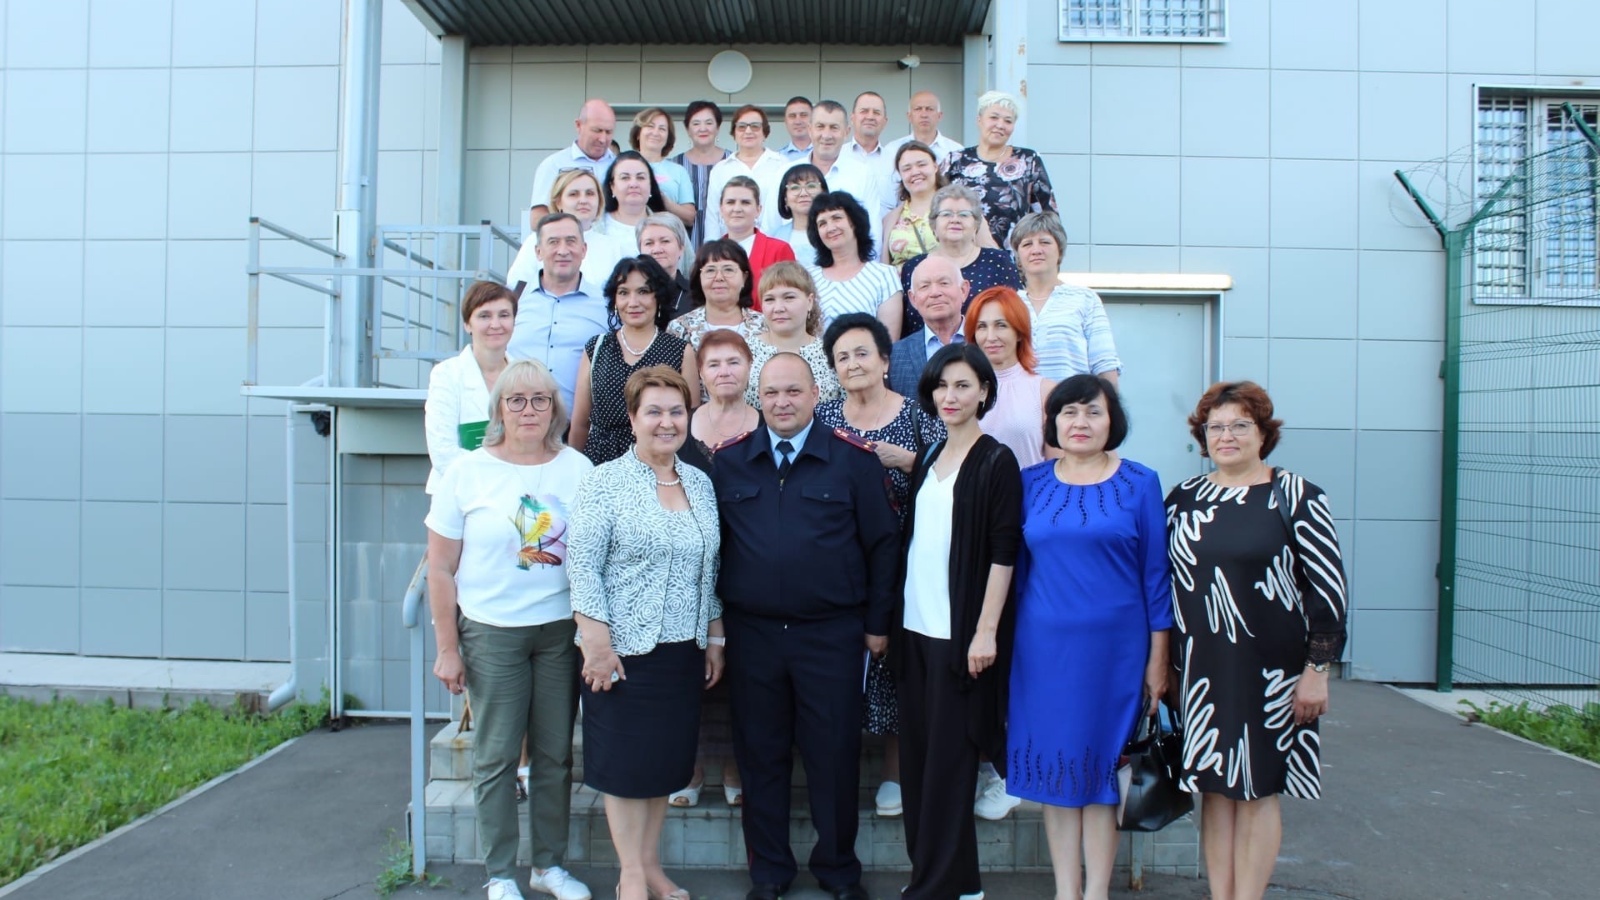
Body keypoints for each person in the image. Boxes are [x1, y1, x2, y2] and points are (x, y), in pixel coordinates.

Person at [712, 353, 900, 900]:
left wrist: (877, 625)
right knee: (760, 755)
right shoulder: (729, 462)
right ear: (759, 397)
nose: (782, 402)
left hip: (831, 635)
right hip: (753, 636)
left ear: (817, 395)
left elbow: (884, 546)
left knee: (834, 756)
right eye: (771, 393)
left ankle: (838, 870)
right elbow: (712, 549)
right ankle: (769, 872)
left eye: (793, 391)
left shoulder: (853, 461)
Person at [1165, 381, 1348, 900]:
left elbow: (1328, 591)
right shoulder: (1182, 499)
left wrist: (1317, 672)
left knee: (1259, 790)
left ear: (1264, 433)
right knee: (1214, 789)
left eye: (1240, 425)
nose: (1226, 436)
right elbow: (1163, 585)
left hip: (1272, 673)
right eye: (1215, 427)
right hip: (1201, 671)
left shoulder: (1296, 495)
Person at [425, 360, 595, 900]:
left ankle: (548, 866)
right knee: (497, 756)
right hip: (492, 631)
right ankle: (500, 872)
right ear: (499, 408)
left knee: (555, 755)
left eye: (540, 399)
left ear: (555, 408)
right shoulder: (468, 472)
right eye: (516, 400)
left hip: (558, 631)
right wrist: (447, 648)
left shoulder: (577, 468)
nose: (528, 410)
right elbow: (439, 569)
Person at [1007, 374, 1171, 900]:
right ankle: (1066, 891)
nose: (1080, 422)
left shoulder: (1140, 483)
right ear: (1053, 421)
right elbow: (1015, 573)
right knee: (1056, 773)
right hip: (1042, 653)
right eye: (1069, 412)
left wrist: (1158, 659)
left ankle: (1097, 892)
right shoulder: (1030, 482)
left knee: (1103, 774)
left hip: (1116, 655)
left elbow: (1156, 578)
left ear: (1111, 421)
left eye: (1093, 412)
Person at [568, 366, 723, 900]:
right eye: (653, 411)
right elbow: (583, 566)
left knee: (663, 765)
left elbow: (710, 567)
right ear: (633, 418)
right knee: (625, 767)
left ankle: (651, 866)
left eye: (676, 411)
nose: (666, 422)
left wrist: (715, 637)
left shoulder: (699, 483)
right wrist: (596, 643)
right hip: (621, 651)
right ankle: (630, 875)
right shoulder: (604, 481)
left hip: (683, 651)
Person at [894, 343, 1021, 900]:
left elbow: (1003, 553)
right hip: (914, 630)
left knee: (949, 765)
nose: (951, 396)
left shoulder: (997, 461)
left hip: (960, 636)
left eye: (963, 385)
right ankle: (955, 883)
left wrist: (985, 631)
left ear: (984, 392)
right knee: (919, 763)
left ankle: (936, 887)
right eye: (942, 386)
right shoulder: (928, 454)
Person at [668, 329, 760, 807]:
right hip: (689, 569)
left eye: (733, 361)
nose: (724, 371)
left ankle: (733, 766)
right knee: (693, 669)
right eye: (714, 364)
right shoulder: (680, 426)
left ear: (749, 368)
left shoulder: (767, 423)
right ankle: (692, 766)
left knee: (740, 671)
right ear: (700, 374)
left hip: (747, 566)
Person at [570, 256, 698, 465]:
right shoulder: (596, 347)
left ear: (658, 296)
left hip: (658, 465)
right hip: (600, 464)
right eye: (623, 293)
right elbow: (580, 424)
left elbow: (688, 423)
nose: (633, 302)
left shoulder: (680, 351)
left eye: (643, 291)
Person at [506, 213, 609, 413]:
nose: (563, 251)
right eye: (553, 242)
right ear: (538, 252)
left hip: (579, 426)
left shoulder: (606, 306)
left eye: (571, 241)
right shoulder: (512, 299)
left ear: (584, 249)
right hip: (517, 421)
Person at [1009, 211, 1122, 384]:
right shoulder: (1008, 303)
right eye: (1027, 244)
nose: (1036, 250)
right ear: (1018, 255)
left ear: (1060, 251)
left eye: (1045, 242)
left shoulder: (1085, 299)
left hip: (1073, 399)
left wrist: (1110, 400)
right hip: (1019, 400)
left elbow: (1104, 364)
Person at [426, 281, 517, 493]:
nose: (496, 324)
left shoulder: (524, 374)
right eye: (484, 316)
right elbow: (443, 453)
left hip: (515, 492)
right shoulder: (447, 375)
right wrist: (503, 475)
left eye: (504, 315)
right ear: (467, 324)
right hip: (459, 492)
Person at [899, 183, 1022, 334]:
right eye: (946, 214)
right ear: (934, 225)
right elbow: (905, 326)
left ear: (976, 225)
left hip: (986, 347)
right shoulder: (914, 267)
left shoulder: (998, 261)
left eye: (964, 215)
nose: (955, 220)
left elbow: (1017, 313)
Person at [943, 90, 1057, 248]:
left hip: (1013, 254)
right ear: (979, 120)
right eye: (994, 117)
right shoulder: (955, 159)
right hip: (961, 252)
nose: (1000, 125)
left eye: (1008, 121)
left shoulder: (1028, 160)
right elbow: (934, 206)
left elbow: (1046, 214)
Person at [965, 286, 1058, 468]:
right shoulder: (961, 390)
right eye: (982, 326)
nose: (991, 337)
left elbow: (1057, 466)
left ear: (1019, 332)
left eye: (1001, 325)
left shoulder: (1045, 391)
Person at [506, 169, 625, 290]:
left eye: (590, 193)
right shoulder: (536, 240)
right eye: (573, 194)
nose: (583, 200)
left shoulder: (613, 246)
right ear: (558, 202)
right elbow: (516, 287)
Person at [806, 191, 902, 337]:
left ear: (855, 222)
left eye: (837, 218)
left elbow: (889, 341)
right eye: (822, 223)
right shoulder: (808, 277)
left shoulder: (884, 275)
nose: (831, 228)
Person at [745, 262, 839, 408]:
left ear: (809, 302)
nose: (778, 308)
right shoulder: (745, 353)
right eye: (769, 299)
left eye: (789, 297)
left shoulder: (831, 354)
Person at [802, 100, 885, 254]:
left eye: (834, 128)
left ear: (846, 132)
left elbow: (872, 230)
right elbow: (771, 226)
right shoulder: (787, 173)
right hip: (794, 265)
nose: (826, 135)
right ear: (810, 130)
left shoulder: (862, 174)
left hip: (848, 265)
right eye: (820, 126)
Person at [887, 255, 969, 400]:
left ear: (963, 290)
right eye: (924, 286)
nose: (935, 293)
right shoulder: (895, 355)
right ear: (913, 299)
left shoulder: (986, 342)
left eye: (944, 283)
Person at [704, 105, 791, 239]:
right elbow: (713, 216)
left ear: (765, 132)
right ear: (734, 133)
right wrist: (712, 246)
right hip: (731, 244)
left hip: (774, 241)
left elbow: (789, 208)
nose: (748, 131)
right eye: (742, 127)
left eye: (755, 126)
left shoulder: (783, 165)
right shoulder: (720, 169)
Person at [529, 98, 617, 227]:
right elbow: (538, 219)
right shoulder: (554, 165)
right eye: (597, 130)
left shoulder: (620, 165)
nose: (603, 139)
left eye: (608, 132)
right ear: (578, 125)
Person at [668, 239, 769, 350]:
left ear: (744, 278)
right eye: (710, 270)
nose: (719, 277)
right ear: (699, 278)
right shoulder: (680, 328)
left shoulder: (765, 325)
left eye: (728, 270)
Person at [715, 176, 796, 292]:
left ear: (758, 210)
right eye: (730, 202)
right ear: (721, 209)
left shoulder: (779, 250)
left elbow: (789, 295)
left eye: (745, 203)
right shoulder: (709, 254)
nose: (737, 209)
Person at [671, 101, 730, 247]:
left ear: (718, 127)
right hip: (683, 238)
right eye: (696, 123)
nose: (703, 128)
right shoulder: (674, 165)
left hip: (725, 237)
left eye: (709, 123)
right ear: (688, 129)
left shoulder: (733, 161)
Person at [628, 107, 696, 228]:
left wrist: (664, 201)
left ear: (668, 138)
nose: (655, 133)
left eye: (662, 129)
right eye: (650, 126)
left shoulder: (679, 171)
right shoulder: (623, 166)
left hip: (668, 235)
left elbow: (690, 218)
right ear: (638, 133)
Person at [881, 141, 946, 267]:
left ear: (935, 167)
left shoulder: (960, 208)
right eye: (907, 168)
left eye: (921, 165)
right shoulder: (890, 219)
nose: (915, 172)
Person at [594, 151, 667, 256]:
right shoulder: (594, 226)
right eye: (625, 178)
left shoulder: (670, 226)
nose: (633, 184)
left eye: (640, 177)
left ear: (651, 185)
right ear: (612, 187)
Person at [844, 91, 895, 222]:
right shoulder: (837, 157)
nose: (870, 117)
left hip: (885, 233)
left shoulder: (896, 162)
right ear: (852, 118)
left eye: (876, 113)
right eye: (864, 111)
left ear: (885, 121)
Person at [637, 212, 695, 318]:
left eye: (665, 241)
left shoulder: (697, 296)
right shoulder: (631, 294)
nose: (657, 250)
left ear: (681, 248)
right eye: (649, 243)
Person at [884, 91, 964, 167]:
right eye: (918, 109)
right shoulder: (893, 149)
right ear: (909, 116)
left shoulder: (956, 150)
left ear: (939, 116)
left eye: (929, 109)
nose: (924, 115)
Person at [770, 163, 828, 265]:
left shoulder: (835, 231)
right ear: (785, 199)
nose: (803, 193)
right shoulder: (774, 237)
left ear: (824, 192)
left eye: (811, 186)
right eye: (795, 188)